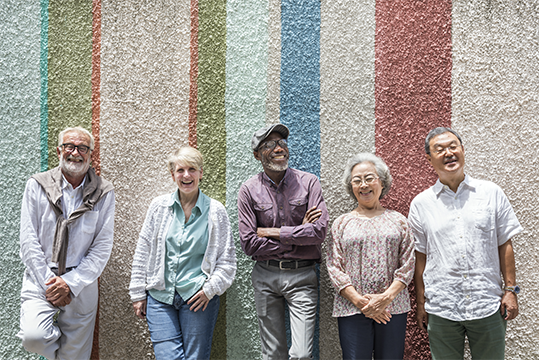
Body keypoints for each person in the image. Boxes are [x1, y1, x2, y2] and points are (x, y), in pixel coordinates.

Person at [409, 127, 523, 360]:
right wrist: (421, 303)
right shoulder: (421, 204)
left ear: (463, 150)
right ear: (429, 159)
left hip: (487, 303)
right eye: (439, 149)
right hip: (442, 307)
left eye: (453, 146)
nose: (448, 153)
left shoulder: (491, 192)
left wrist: (510, 291)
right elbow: (420, 257)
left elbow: (505, 244)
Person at [129, 146, 236, 360]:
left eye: (192, 169)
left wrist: (210, 289)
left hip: (198, 297)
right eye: (180, 170)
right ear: (173, 175)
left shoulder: (216, 211)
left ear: (201, 174)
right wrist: (138, 293)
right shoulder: (159, 207)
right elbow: (143, 250)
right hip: (160, 297)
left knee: (196, 357)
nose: (186, 175)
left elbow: (227, 261)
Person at [17, 126, 115, 360]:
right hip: (41, 278)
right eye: (70, 146)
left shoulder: (104, 192)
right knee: (34, 337)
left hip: (81, 283)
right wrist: (52, 285)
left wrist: (70, 284)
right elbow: (28, 240)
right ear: (59, 151)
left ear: (91, 154)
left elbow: (102, 247)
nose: (75, 152)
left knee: (75, 356)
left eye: (83, 148)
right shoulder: (37, 185)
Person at [237, 123, 329, 360]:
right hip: (265, 277)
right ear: (257, 155)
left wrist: (271, 232)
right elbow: (249, 244)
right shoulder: (248, 190)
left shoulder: (309, 183)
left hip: (302, 277)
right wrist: (299, 233)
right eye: (269, 144)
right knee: (272, 354)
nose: (278, 148)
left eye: (281, 143)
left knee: (301, 354)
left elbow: (318, 233)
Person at [326, 153, 415, 360]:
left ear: (382, 182)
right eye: (357, 180)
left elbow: (408, 263)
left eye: (369, 178)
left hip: (392, 307)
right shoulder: (341, 223)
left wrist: (385, 299)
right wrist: (361, 302)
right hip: (351, 308)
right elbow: (334, 266)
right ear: (351, 187)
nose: (363, 185)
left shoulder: (399, 221)